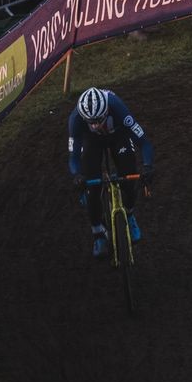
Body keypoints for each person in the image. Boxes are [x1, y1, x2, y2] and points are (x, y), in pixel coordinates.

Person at [68, 87, 155, 258]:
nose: (94, 125)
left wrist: (148, 166)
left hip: (118, 135)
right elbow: (74, 156)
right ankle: (98, 233)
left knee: (129, 180)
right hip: (91, 141)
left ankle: (129, 216)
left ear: (107, 110)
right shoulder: (76, 119)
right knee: (91, 190)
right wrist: (77, 175)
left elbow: (144, 142)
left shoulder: (118, 108)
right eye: (90, 122)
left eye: (98, 120)